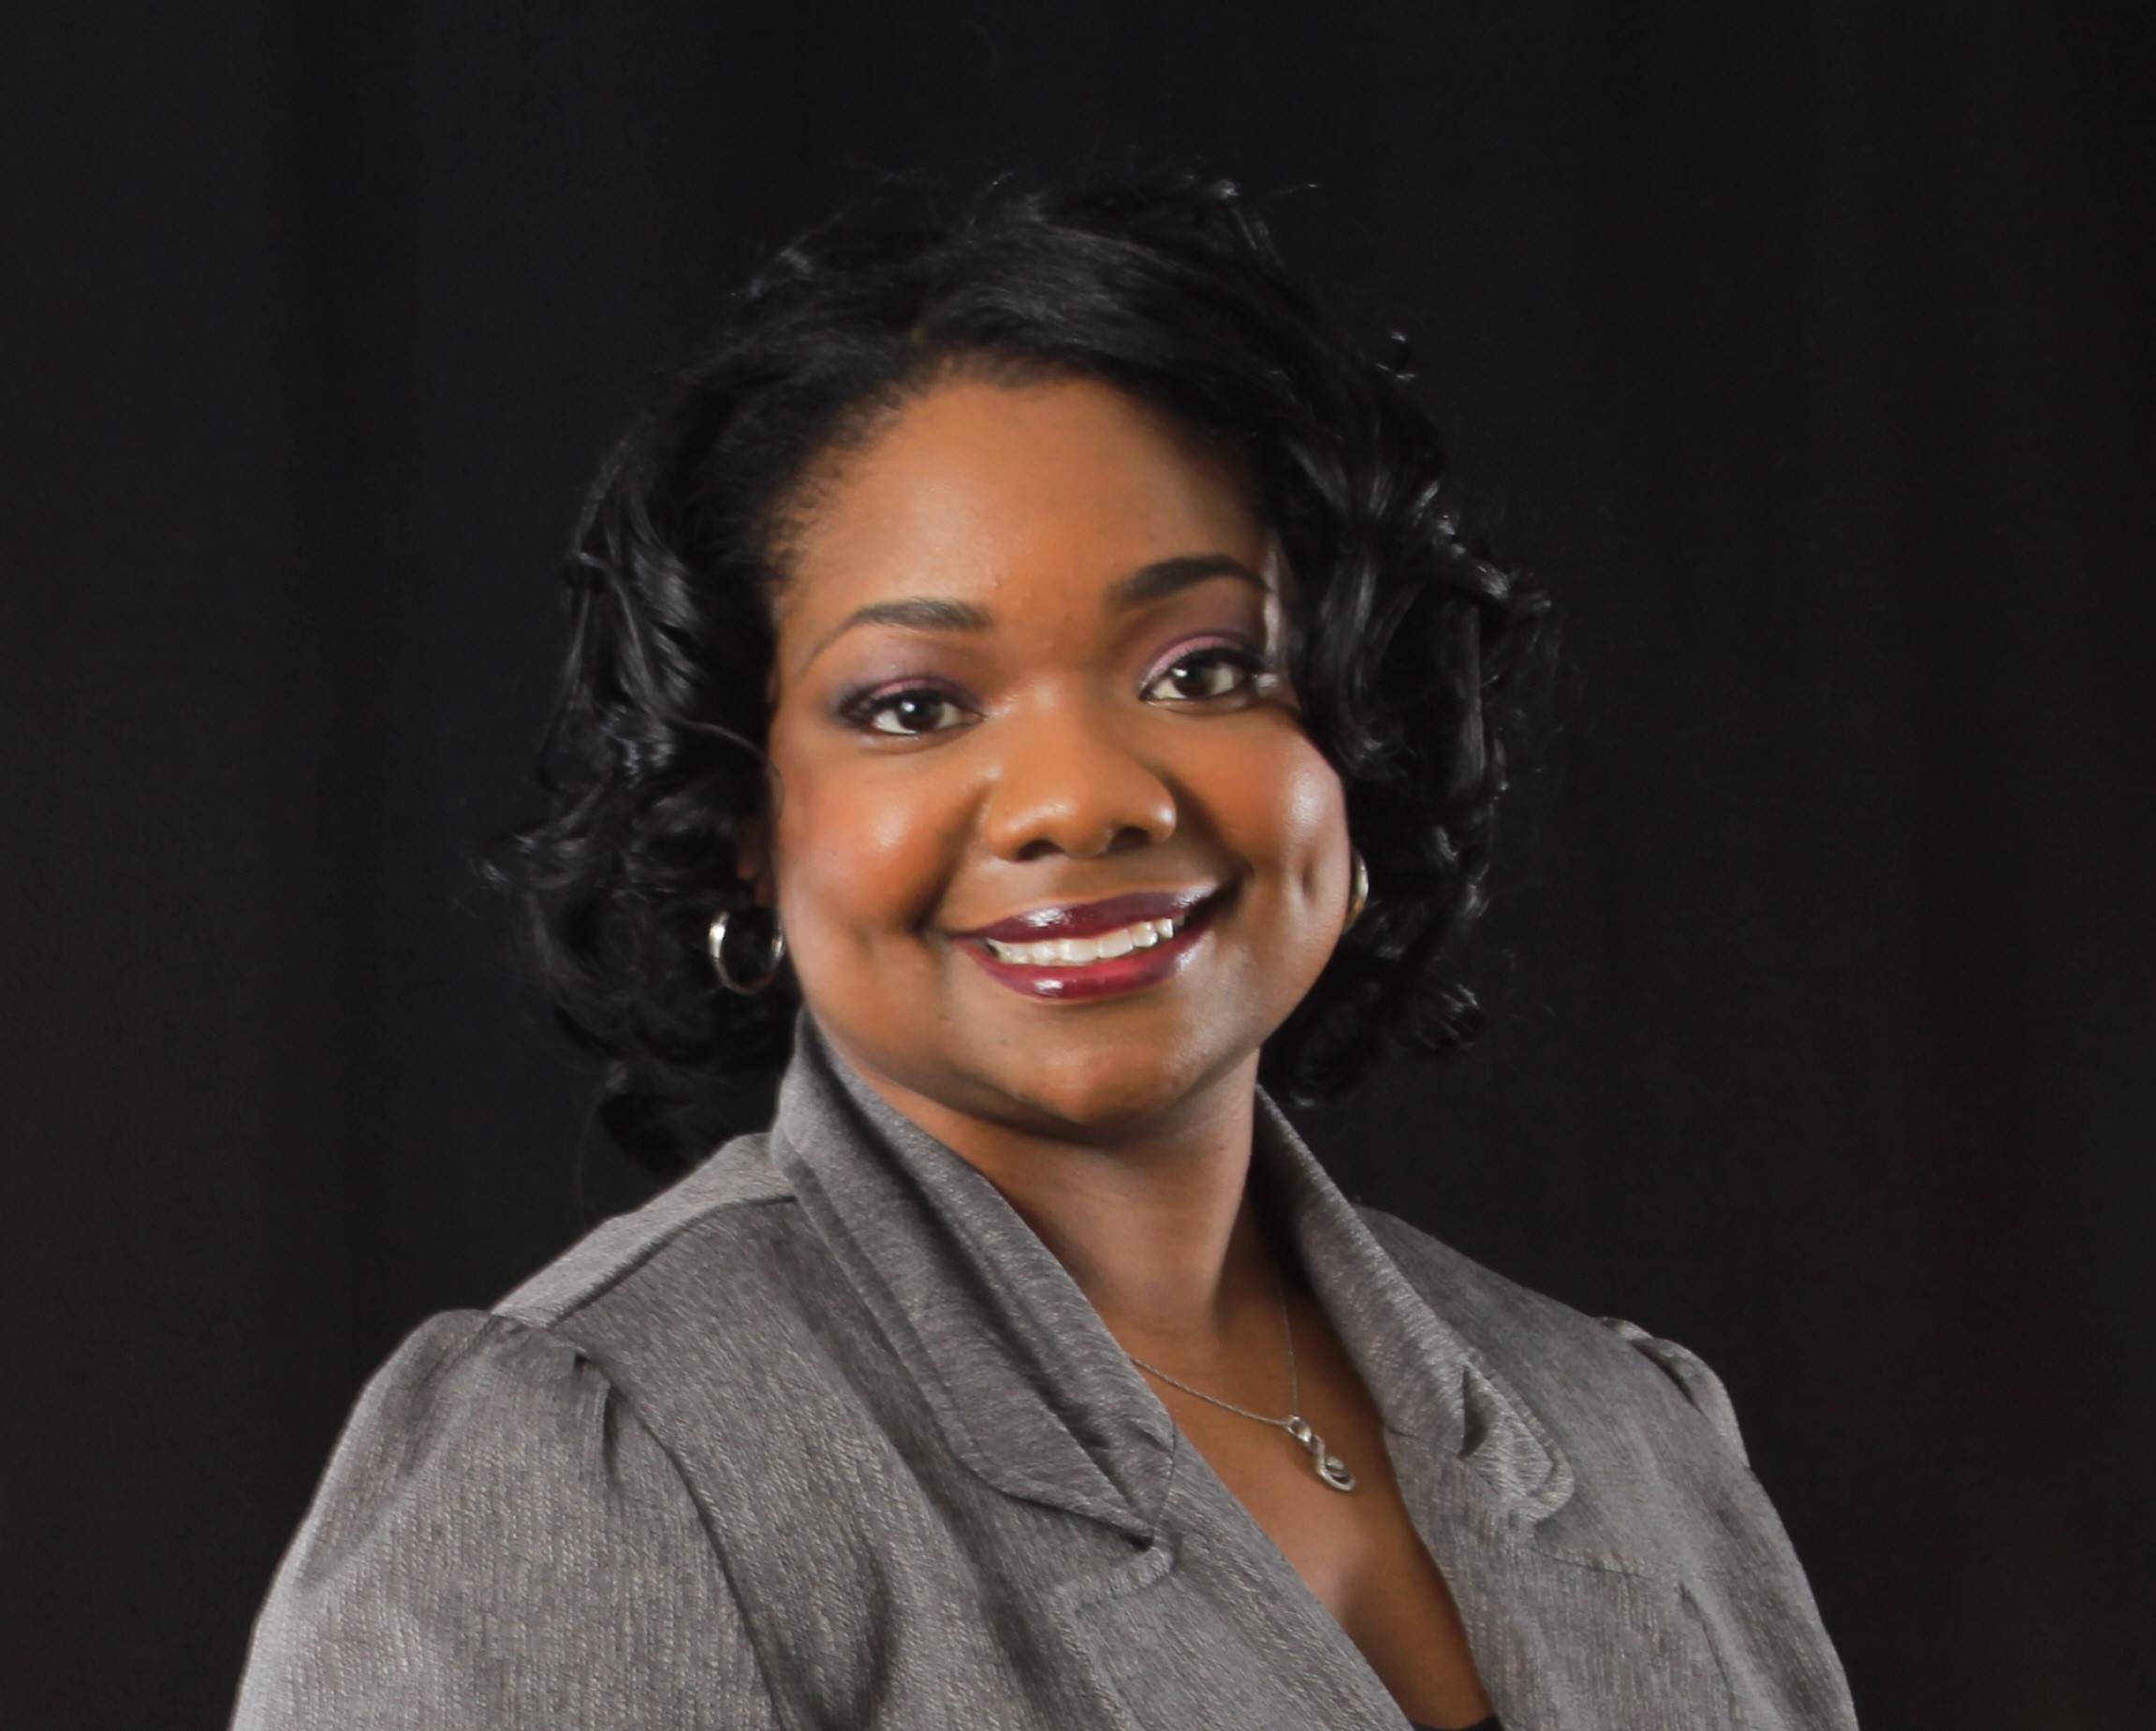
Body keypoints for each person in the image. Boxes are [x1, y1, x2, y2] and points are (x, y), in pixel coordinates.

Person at [231, 172, 1857, 1730]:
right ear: (747, 809)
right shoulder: (597, 1460)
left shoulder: (1630, 1432)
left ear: (1353, 731)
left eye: (1204, 669)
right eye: (916, 705)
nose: (1084, 802)